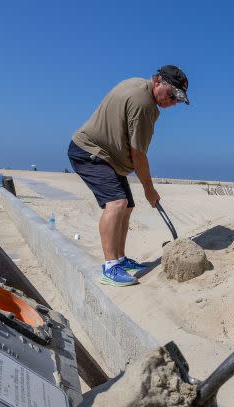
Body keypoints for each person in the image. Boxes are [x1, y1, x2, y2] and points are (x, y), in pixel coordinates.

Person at [68, 65, 190, 286]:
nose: (172, 102)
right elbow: (138, 155)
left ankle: (120, 259)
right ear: (158, 81)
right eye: (172, 95)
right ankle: (110, 267)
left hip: (107, 157)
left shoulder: (136, 83)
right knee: (116, 202)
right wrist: (149, 189)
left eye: (178, 100)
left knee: (128, 206)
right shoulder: (145, 106)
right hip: (90, 152)